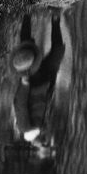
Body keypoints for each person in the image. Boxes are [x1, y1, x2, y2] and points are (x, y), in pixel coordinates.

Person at [12, 11, 65, 144]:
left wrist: (24, 84)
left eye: (42, 140)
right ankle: (55, 18)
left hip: (33, 81)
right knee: (58, 50)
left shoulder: (25, 127)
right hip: (47, 81)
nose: (45, 137)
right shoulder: (42, 126)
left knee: (27, 48)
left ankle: (27, 13)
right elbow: (46, 104)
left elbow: (20, 104)